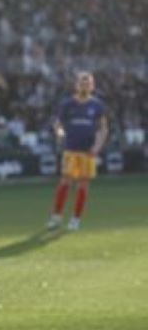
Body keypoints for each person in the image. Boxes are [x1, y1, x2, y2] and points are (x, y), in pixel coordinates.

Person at [47, 71, 108, 231]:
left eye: (88, 83)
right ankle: (56, 217)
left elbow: (103, 129)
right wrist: (60, 133)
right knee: (65, 181)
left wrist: (97, 147)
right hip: (71, 149)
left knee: (83, 184)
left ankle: (75, 219)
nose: (85, 85)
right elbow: (58, 123)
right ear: (76, 85)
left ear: (92, 86)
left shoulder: (98, 105)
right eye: (82, 82)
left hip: (88, 152)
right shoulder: (67, 104)